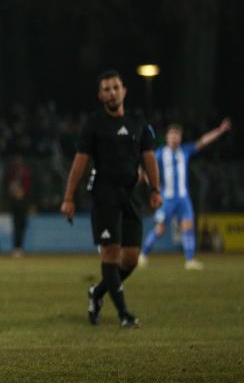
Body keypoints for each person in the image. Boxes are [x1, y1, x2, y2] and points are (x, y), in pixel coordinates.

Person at [60, 70, 162, 328]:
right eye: (106, 89)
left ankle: (97, 293)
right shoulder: (94, 124)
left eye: (115, 87)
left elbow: (149, 158)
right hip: (104, 196)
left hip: (131, 195)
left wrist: (155, 190)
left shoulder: (139, 122)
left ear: (124, 91)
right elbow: (80, 162)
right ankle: (124, 314)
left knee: (130, 259)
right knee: (111, 253)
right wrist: (69, 197)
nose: (112, 92)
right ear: (100, 95)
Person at [139, 118, 232, 270]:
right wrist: (153, 186)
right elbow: (146, 172)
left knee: (188, 228)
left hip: (183, 199)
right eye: (172, 134)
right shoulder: (160, 154)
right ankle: (142, 256)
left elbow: (203, 141)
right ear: (167, 137)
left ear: (180, 138)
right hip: (167, 198)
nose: (174, 137)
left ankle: (190, 260)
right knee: (160, 229)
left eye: (177, 135)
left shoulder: (185, 151)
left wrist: (220, 130)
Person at [6, 154, 31, 257]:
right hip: (17, 203)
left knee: (21, 225)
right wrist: (17, 194)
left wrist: (22, 193)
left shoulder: (21, 173)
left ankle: (18, 248)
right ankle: (17, 248)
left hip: (22, 203)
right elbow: (9, 187)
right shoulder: (14, 173)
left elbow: (27, 187)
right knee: (18, 226)